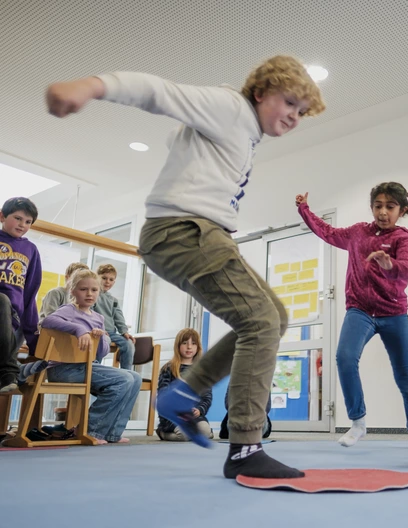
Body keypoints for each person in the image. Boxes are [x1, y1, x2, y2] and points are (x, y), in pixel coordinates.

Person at [46, 55, 325, 479]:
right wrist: (91, 85)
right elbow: (160, 93)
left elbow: (178, 137)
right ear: (260, 92)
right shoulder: (231, 108)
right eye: (289, 103)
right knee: (262, 322)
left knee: (273, 318)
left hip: (198, 233)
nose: (293, 117)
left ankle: (184, 393)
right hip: (184, 230)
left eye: (301, 112)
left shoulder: (243, 131)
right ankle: (245, 447)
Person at [296, 182, 408, 449]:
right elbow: (328, 232)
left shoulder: (402, 238)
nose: (383, 212)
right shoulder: (358, 233)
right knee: (344, 358)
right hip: (360, 310)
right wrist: (304, 209)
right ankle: (358, 422)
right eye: (378, 206)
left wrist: (389, 264)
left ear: (402, 210)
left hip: (394, 313)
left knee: (407, 379)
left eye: (390, 207)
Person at [41, 269, 141, 444]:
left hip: (86, 366)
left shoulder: (98, 318)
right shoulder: (69, 310)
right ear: (72, 291)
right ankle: (90, 430)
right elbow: (47, 321)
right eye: (83, 289)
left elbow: (101, 353)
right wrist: (79, 329)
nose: (89, 294)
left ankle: (112, 433)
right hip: (63, 369)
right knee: (124, 379)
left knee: (135, 378)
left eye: (94, 290)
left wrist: (100, 338)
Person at [0, 197, 42, 394]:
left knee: (5, 302)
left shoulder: (30, 250)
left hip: (11, 320)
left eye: (28, 222)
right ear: (2, 216)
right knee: (2, 299)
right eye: (17, 218)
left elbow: (29, 295)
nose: (22, 225)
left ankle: (10, 374)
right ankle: (8, 372)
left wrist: (34, 342)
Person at [157, 328, 213, 441]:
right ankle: (163, 432)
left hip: (194, 416)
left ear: (198, 347)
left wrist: (199, 410)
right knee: (183, 435)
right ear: (178, 346)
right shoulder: (168, 368)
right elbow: (163, 394)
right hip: (173, 416)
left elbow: (207, 397)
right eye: (185, 343)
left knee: (205, 432)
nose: (189, 347)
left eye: (193, 343)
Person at [93, 263, 136, 370]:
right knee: (104, 341)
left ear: (114, 282)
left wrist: (124, 331)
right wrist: (100, 330)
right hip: (98, 332)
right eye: (104, 278)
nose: (107, 281)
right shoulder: (92, 295)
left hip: (111, 332)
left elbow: (118, 317)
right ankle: (94, 369)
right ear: (96, 277)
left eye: (111, 279)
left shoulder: (113, 300)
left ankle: (127, 372)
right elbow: (90, 314)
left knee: (128, 344)